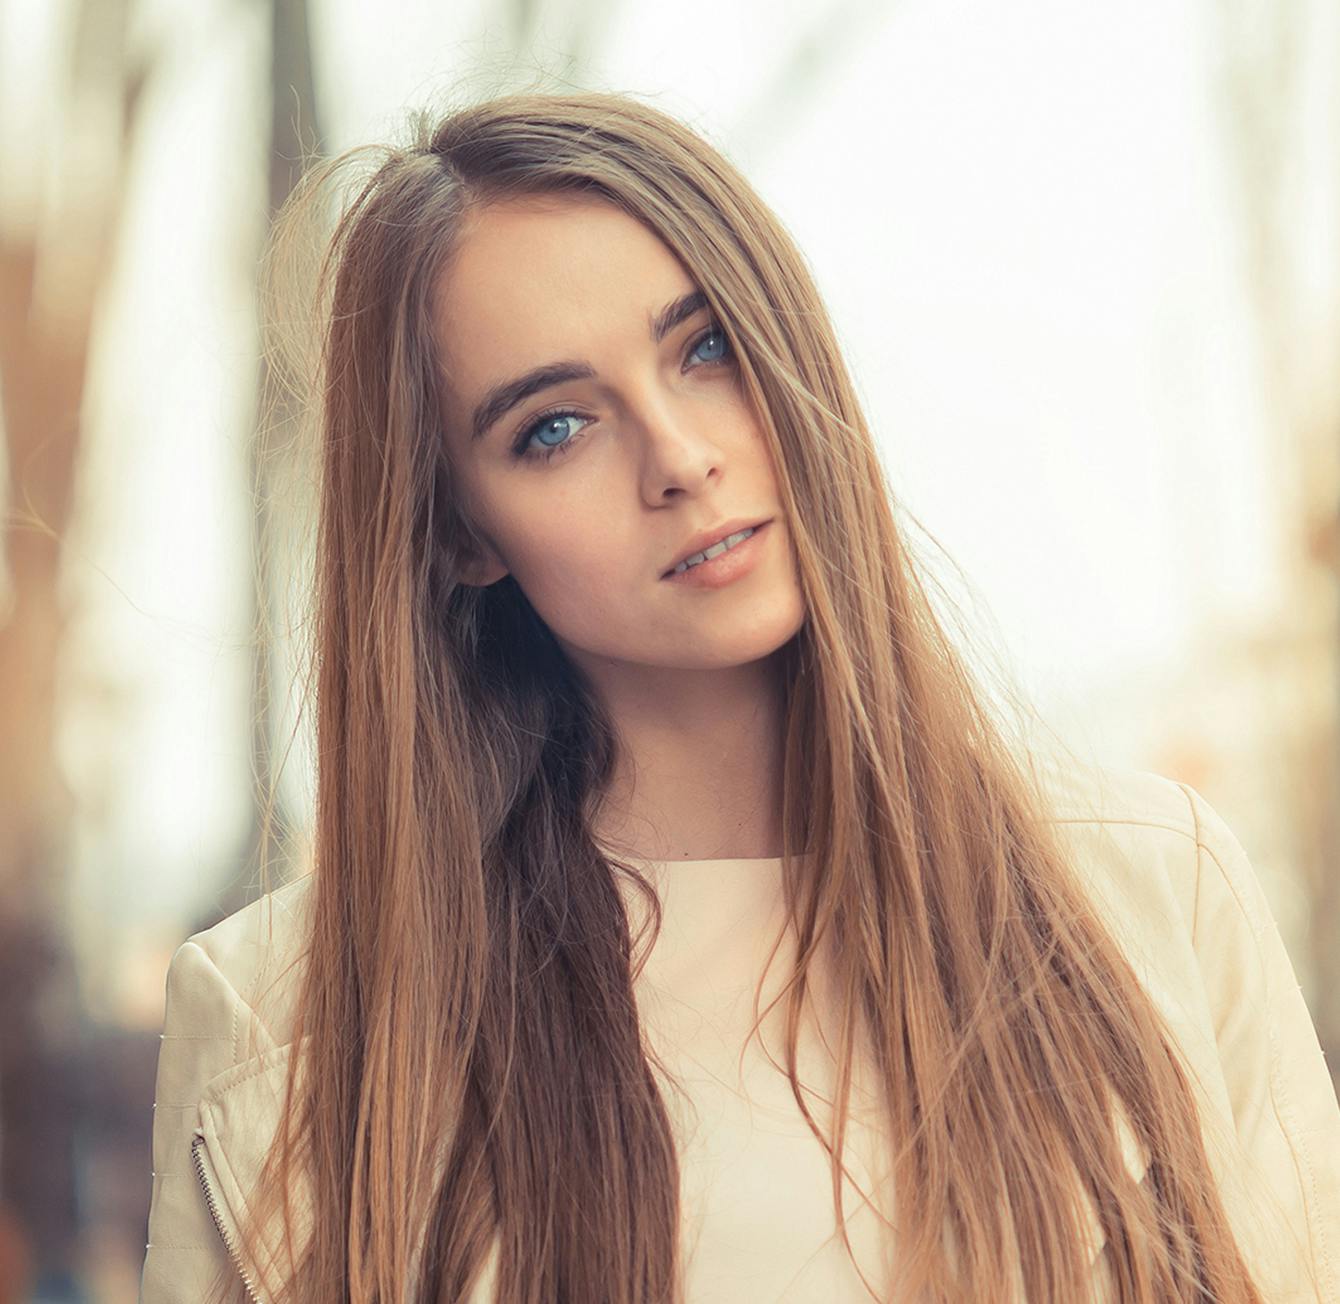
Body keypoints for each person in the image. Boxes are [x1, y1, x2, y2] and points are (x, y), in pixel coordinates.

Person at [139, 88, 1340, 1303]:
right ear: (459, 533)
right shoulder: (282, 1022)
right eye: (555, 427)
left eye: (703, 348)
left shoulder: (1153, 891)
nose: (679, 457)